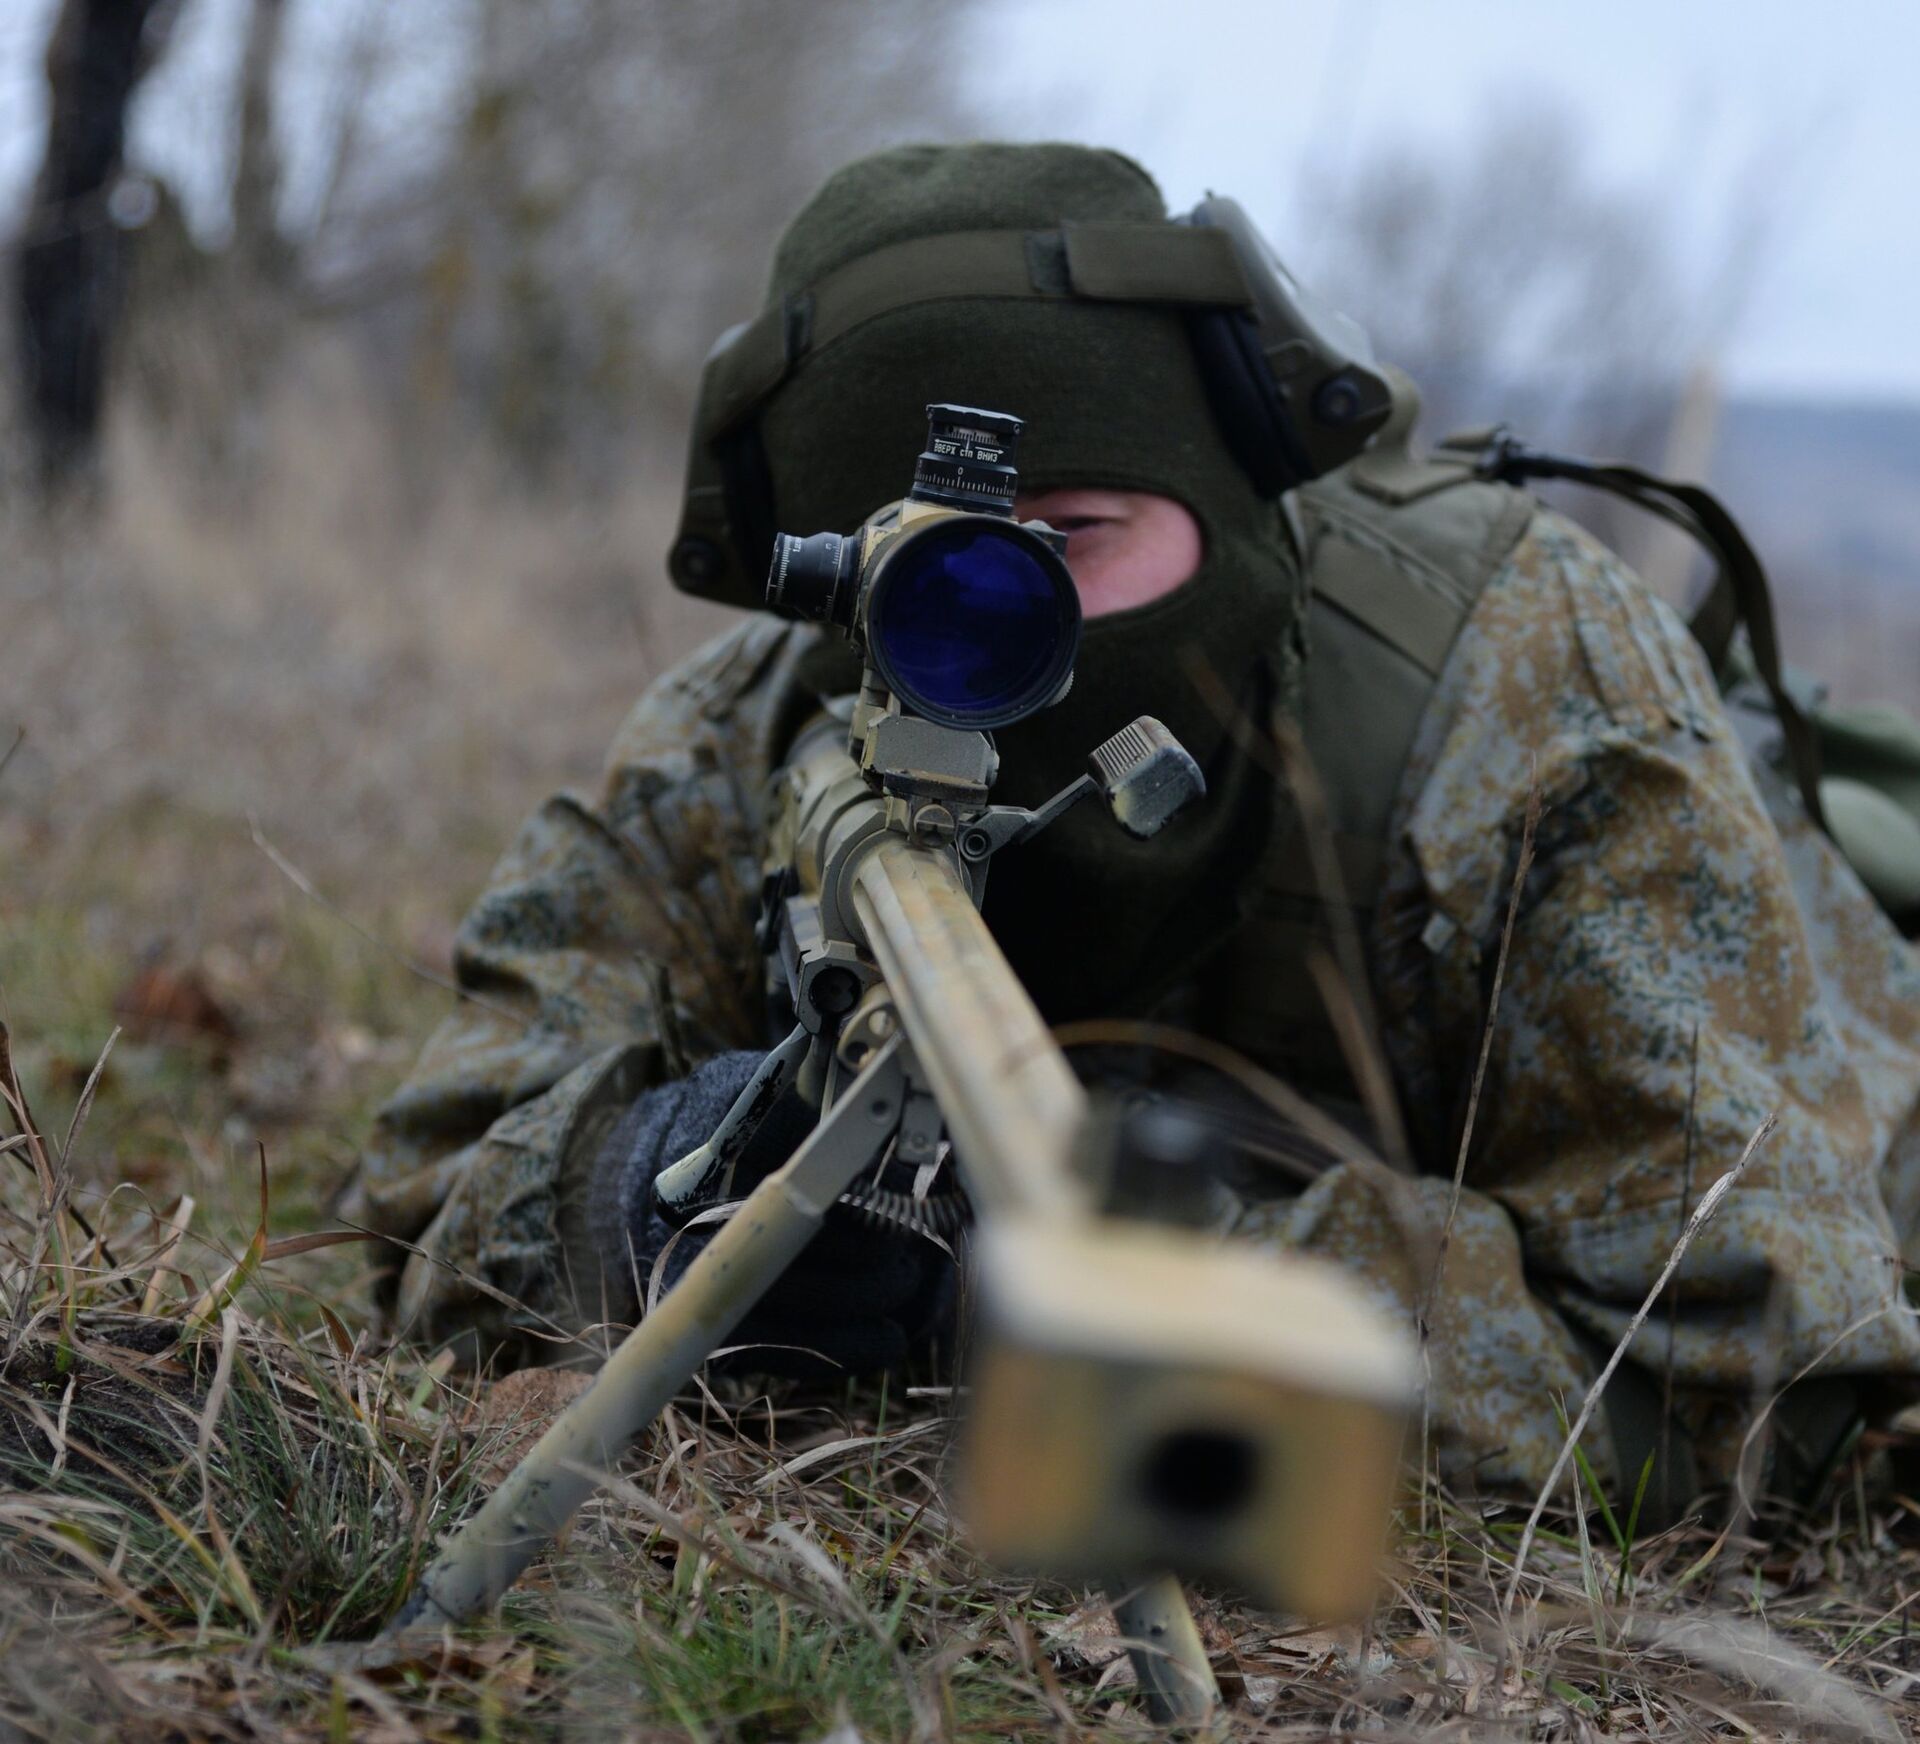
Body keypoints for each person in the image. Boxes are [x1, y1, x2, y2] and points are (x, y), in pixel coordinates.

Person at [360, 142, 1920, 1521]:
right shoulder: (754, 730)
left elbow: (1762, 1369)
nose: (1003, 620)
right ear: (834, 579)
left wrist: (1083, 1279)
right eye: (930, 575)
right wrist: (650, 1203)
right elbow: (439, 1178)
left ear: (1221, 483)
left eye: (1072, 538)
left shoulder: (1524, 693)